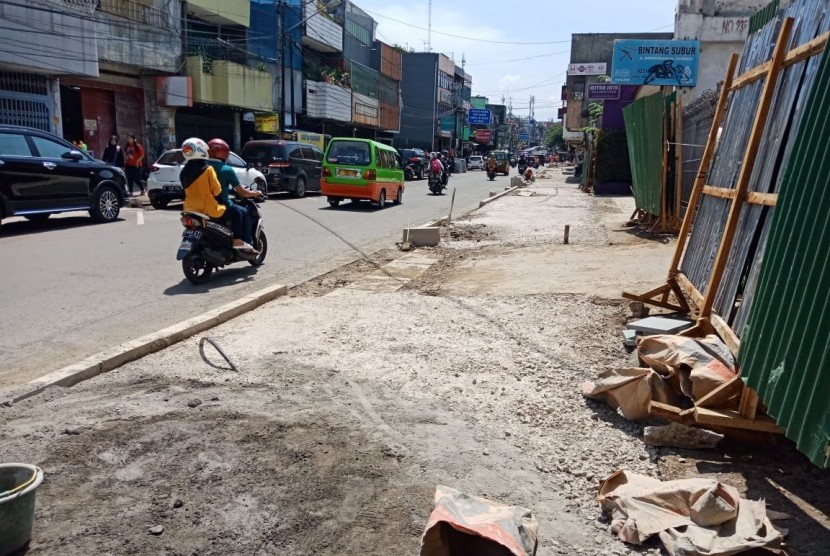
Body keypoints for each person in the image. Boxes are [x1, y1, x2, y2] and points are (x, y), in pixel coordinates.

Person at [179, 137, 253, 251]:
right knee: (239, 212)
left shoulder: (184, 171)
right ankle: (237, 240)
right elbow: (217, 190)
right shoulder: (208, 169)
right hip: (208, 208)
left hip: (189, 208)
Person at [207, 138, 263, 251]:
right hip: (219, 205)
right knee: (243, 211)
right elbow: (242, 192)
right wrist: (256, 193)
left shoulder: (202, 167)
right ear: (225, 154)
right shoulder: (226, 169)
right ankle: (245, 241)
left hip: (200, 205)